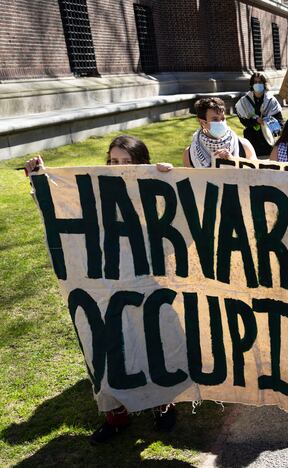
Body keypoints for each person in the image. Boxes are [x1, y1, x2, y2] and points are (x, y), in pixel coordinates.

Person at [24, 135, 175, 445]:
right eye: (113, 161)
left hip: (145, 281)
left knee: (150, 341)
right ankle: (115, 414)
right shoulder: (92, 189)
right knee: (107, 345)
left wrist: (168, 177)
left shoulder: (152, 186)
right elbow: (63, 207)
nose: (117, 167)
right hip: (102, 284)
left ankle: (162, 403)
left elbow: (180, 211)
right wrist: (39, 179)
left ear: (140, 164)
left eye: (126, 162)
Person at [183, 97, 256, 168]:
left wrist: (233, 162)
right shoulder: (190, 154)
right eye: (215, 119)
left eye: (223, 118)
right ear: (203, 123)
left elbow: (257, 174)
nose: (221, 122)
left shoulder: (244, 145)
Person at [234, 72, 283, 158]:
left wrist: (268, 121)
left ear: (264, 84)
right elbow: (243, 121)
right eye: (255, 82)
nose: (258, 84)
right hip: (253, 139)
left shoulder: (271, 100)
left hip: (268, 141)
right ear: (252, 84)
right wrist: (255, 121)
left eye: (260, 82)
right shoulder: (244, 101)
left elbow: (280, 121)